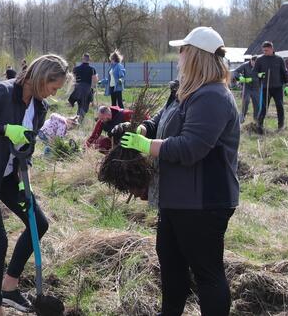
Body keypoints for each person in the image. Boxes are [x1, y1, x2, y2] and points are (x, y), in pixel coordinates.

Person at [119, 26, 239, 316]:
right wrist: (142, 128)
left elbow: (190, 148)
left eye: (182, 50)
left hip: (203, 203)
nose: (178, 55)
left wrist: (147, 146)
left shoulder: (213, 97)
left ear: (196, 55)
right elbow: (161, 119)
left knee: (207, 273)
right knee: (172, 271)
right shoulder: (183, 90)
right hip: (175, 199)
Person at [0, 55, 72, 315]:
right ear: (42, 78)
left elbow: (25, 148)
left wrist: (21, 181)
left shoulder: (39, 108)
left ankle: (10, 287)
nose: (54, 94)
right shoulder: (2, 92)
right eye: (53, 88)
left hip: (7, 174)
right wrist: (4, 129)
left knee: (38, 223)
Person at [255, 41, 288, 132]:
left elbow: (284, 72)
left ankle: (281, 126)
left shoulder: (279, 59)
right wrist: (259, 75)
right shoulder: (260, 60)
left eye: (267, 50)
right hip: (265, 87)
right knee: (263, 107)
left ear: (272, 49)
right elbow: (254, 72)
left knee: (280, 106)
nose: (265, 52)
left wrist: (287, 84)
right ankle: (259, 126)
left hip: (278, 87)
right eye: (263, 50)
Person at [69, 53, 99, 122]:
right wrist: (97, 78)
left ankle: (77, 118)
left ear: (82, 59)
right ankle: (79, 120)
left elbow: (71, 78)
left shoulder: (76, 69)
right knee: (84, 106)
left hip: (78, 89)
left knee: (80, 104)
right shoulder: (92, 69)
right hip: (87, 89)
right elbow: (95, 80)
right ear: (89, 60)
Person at [232, 56, 259, 124]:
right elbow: (235, 72)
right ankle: (242, 117)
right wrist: (240, 77)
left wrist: (253, 79)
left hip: (256, 88)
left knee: (256, 103)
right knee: (245, 101)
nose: (254, 65)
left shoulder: (260, 65)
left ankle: (256, 120)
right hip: (247, 87)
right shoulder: (245, 65)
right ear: (251, 61)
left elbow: (263, 75)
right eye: (253, 63)